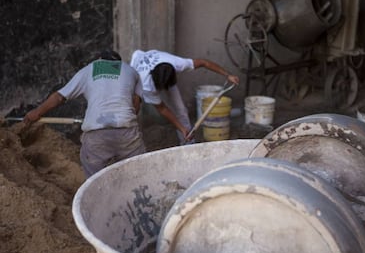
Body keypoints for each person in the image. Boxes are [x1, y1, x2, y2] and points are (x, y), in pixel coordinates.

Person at [23, 49, 146, 178]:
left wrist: (36, 113)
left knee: (95, 179)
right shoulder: (131, 71)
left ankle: (98, 196)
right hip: (127, 130)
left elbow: (59, 97)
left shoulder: (89, 70)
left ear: (99, 60)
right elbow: (135, 108)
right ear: (119, 62)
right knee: (138, 174)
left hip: (96, 134)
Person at [130, 49, 239, 144]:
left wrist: (228, 75)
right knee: (134, 107)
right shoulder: (146, 85)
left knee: (181, 110)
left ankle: (187, 143)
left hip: (159, 67)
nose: (163, 91)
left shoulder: (177, 63)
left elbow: (204, 63)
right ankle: (132, 138)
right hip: (137, 62)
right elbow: (162, 109)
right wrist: (181, 127)